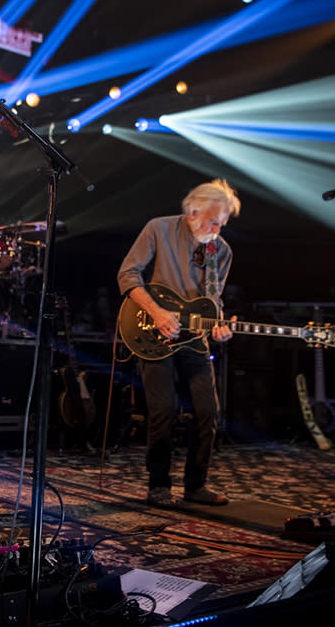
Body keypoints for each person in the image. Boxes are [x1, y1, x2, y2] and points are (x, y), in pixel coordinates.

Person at [117, 179, 240, 508]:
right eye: (213, 222)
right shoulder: (159, 229)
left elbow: (213, 301)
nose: (216, 230)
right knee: (164, 409)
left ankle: (195, 484)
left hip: (195, 338)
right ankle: (158, 484)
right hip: (154, 331)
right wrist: (157, 313)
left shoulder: (220, 251)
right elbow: (128, 274)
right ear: (193, 211)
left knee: (208, 411)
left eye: (222, 224)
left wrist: (220, 325)